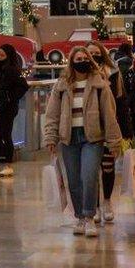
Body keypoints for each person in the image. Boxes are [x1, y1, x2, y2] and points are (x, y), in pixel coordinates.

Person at [44, 47, 122, 238]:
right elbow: (52, 114)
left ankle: (89, 217)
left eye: (84, 58)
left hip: (92, 138)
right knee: (73, 179)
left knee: (89, 176)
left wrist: (114, 142)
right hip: (68, 138)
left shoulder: (99, 85)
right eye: (77, 58)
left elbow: (109, 115)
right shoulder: (61, 86)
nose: (81, 61)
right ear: (71, 62)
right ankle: (79, 217)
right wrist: (50, 137)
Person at [85, 41, 132, 223]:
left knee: (107, 166)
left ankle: (106, 202)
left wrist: (126, 130)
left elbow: (121, 102)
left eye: (97, 53)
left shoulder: (113, 73)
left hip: (108, 126)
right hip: (88, 127)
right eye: (90, 53)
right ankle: (94, 205)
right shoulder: (80, 73)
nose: (93, 56)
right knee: (90, 169)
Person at [0, 44, 29, 177]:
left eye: (2, 55)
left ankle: (9, 165)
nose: (0, 57)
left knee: (5, 135)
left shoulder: (12, 70)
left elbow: (23, 86)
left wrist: (10, 98)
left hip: (7, 109)